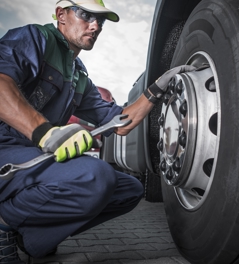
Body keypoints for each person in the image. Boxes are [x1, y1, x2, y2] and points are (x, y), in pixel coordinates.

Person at [0, 0, 195, 263]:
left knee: (128, 190)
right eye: (86, 15)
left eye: (100, 21)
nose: (95, 26)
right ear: (61, 15)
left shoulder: (79, 76)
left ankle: (32, 235)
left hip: (34, 156)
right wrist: (45, 132)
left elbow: (120, 122)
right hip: (6, 151)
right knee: (95, 176)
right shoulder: (35, 38)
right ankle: (4, 221)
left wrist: (156, 89)